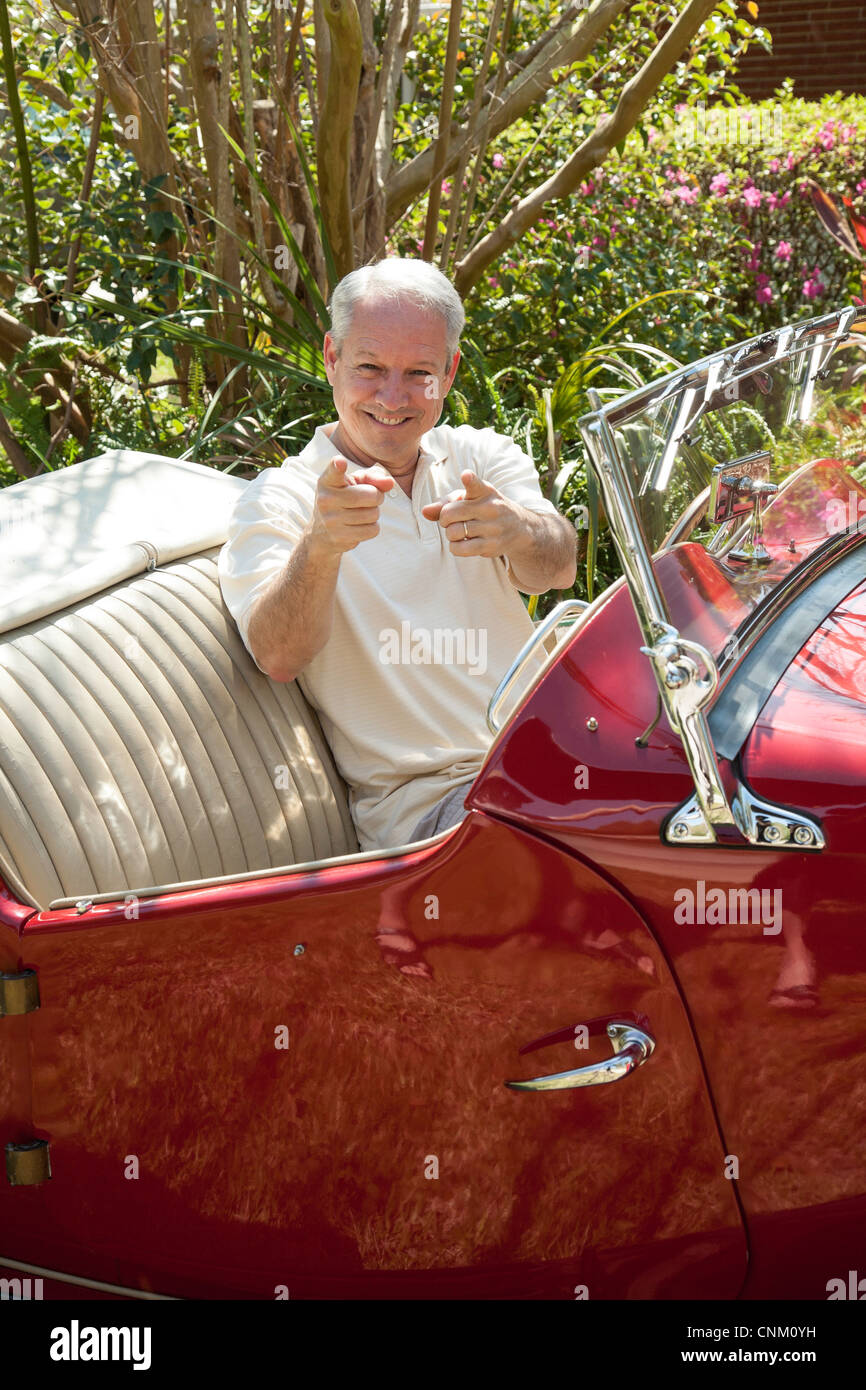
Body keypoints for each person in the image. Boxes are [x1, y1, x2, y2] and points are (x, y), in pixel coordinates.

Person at [218, 257, 577, 853]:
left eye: (418, 373)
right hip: (435, 813)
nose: (392, 396)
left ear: (450, 372)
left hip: (552, 761)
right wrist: (322, 546)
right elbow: (278, 655)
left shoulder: (480, 457)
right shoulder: (281, 498)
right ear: (331, 358)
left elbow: (557, 567)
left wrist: (515, 529)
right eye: (369, 367)